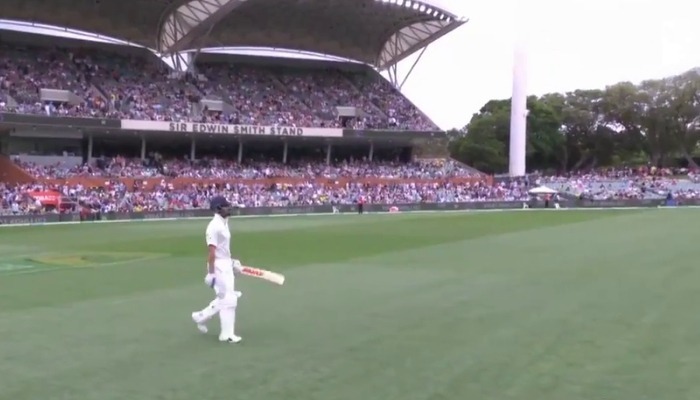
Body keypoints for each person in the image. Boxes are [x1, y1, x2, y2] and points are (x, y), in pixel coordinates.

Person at [191, 195, 243, 343]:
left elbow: (223, 249)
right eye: (226, 206)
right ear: (218, 209)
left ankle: (201, 316)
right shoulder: (214, 226)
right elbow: (212, 253)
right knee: (229, 299)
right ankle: (226, 335)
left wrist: (232, 262)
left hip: (225, 263)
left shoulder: (224, 223)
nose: (229, 208)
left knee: (227, 298)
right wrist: (211, 274)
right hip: (218, 266)